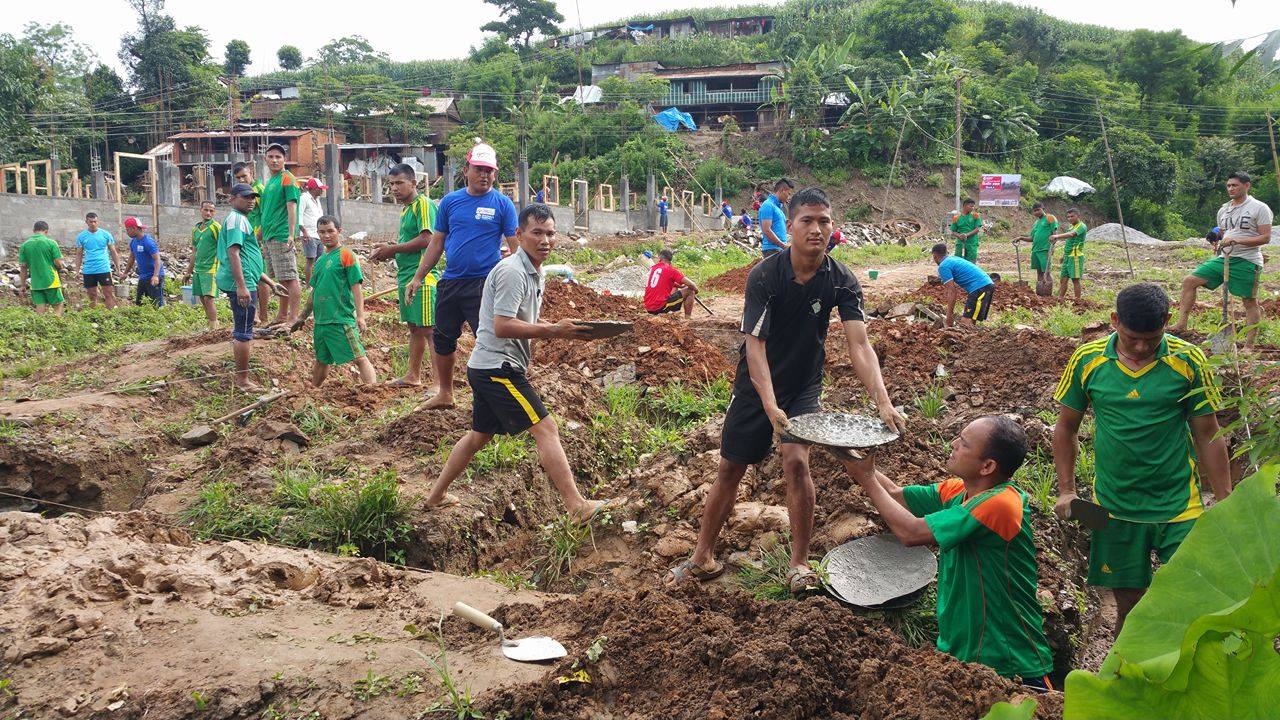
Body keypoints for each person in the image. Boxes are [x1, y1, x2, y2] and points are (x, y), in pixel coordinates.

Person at [668, 187, 907, 593]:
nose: (817, 229)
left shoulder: (842, 279)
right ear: (790, 226)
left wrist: (883, 402)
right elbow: (755, 345)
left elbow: (859, 344)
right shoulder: (765, 275)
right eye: (807, 221)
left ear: (833, 227)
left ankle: (799, 564)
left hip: (803, 385)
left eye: (824, 221)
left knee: (796, 462)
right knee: (731, 468)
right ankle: (702, 556)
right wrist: (768, 404)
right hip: (755, 385)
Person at [1053, 282, 1231, 637]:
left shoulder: (1188, 361)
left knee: (1191, 597)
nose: (1141, 347)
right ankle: (1126, 673)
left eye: (1152, 338)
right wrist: (1066, 490)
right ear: (1115, 320)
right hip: (1114, 507)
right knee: (1129, 605)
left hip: (1179, 504)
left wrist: (1226, 499)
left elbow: (1207, 434)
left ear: (1167, 320)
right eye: (1132, 337)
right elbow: (1066, 427)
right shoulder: (1088, 361)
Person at [423, 203, 611, 521]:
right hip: (498, 368)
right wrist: (553, 330)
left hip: (489, 366)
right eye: (536, 233)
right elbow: (503, 325)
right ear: (519, 234)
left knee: (478, 436)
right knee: (546, 428)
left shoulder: (534, 271)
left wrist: (560, 329)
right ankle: (576, 506)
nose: (545, 240)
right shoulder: (512, 272)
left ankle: (435, 496)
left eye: (550, 233)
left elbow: (520, 322)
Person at [845, 417, 1055, 690]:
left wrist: (867, 479)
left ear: (987, 466)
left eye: (964, 443)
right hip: (961, 653)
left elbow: (911, 532)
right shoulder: (962, 490)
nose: (953, 444)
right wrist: (851, 456)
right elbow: (897, 495)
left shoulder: (1002, 504)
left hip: (1008, 659)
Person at [405, 143, 518, 410]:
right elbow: (436, 243)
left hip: (484, 284)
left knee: (488, 339)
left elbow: (516, 248)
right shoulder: (450, 202)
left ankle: (493, 395)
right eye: (479, 169)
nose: (484, 175)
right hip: (451, 282)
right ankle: (445, 393)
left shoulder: (502, 205)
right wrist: (419, 276)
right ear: (466, 170)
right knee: (443, 338)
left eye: (489, 171)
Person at [1171, 171, 1272, 348]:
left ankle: (1249, 346)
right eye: (1228, 186)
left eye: (1235, 185)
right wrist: (1217, 235)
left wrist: (1237, 240)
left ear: (1246, 185)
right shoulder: (1224, 209)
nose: (1231, 188)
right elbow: (1225, 231)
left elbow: (1265, 238)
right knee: (1189, 281)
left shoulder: (1259, 208)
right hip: (1224, 258)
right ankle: (1181, 324)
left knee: (1249, 301)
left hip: (1247, 260)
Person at [369, 164, 439, 391]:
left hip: (423, 276)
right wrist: (390, 248)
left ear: (413, 183)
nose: (394, 188)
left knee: (430, 330)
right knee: (415, 328)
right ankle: (413, 375)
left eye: (399, 183)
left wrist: (393, 249)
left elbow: (428, 240)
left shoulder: (423, 205)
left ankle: (439, 384)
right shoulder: (406, 209)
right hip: (406, 275)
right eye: (391, 184)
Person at [291, 215, 376, 386]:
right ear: (318, 233)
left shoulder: (346, 255)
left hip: (340, 319)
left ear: (339, 231)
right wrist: (302, 317)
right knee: (321, 360)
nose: (326, 235)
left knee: (359, 357)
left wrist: (360, 316)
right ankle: (314, 391)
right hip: (321, 321)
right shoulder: (320, 260)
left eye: (330, 231)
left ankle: (374, 391)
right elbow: (314, 293)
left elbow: (356, 288)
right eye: (322, 232)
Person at [216, 183, 267, 392]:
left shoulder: (241, 220)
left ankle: (242, 378)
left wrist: (269, 282)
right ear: (232, 199)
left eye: (253, 197)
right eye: (246, 197)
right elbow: (234, 253)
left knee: (243, 327)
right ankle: (243, 381)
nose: (251, 201)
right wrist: (242, 286)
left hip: (247, 281)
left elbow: (246, 255)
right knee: (244, 331)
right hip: (243, 284)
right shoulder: (236, 220)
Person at [258, 143, 302, 327]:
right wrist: (260, 233)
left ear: (285, 159)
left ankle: (293, 318)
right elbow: (268, 211)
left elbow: (291, 207)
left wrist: (291, 234)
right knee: (281, 278)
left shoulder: (287, 179)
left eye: (278, 156)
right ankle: (282, 315)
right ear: (265, 159)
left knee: (290, 278)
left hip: (282, 234)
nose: (275, 160)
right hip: (270, 236)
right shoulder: (270, 182)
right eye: (271, 156)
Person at [233, 161, 268, 324]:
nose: (241, 180)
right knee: (250, 275)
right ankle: (254, 315)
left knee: (259, 276)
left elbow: (266, 215)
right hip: (247, 239)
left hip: (256, 239)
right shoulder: (241, 194)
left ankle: (263, 316)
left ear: (251, 173)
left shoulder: (258, 190)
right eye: (238, 177)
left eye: (244, 176)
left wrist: (258, 237)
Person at [931, 243, 995, 327]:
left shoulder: (943, 266)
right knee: (971, 319)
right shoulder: (953, 259)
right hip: (985, 284)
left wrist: (949, 315)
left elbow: (952, 291)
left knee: (965, 322)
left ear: (935, 255)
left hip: (980, 287)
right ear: (947, 252)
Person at [185, 201, 221, 329]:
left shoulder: (216, 227)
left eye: (211, 211)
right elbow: (194, 251)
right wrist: (189, 271)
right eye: (206, 210)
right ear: (200, 210)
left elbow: (222, 247)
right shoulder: (196, 229)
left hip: (211, 268)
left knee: (208, 298)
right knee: (202, 298)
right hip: (198, 269)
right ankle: (211, 325)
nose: (208, 213)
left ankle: (215, 327)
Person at [18, 221, 66, 315]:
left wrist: (23, 285)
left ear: (33, 230)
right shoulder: (51, 243)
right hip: (51, 281)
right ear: (46, 231)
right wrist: (60, 267)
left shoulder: (24, 245)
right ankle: (57, 325)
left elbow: (23, 268)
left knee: (40, 307)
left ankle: (40, 327)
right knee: (58, 305)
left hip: (35, 283)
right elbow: (58, 262)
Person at [76, 212, 121, 309]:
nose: (93, 224)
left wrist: (118, 269)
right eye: (91, 222)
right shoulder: (81, 236)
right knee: (92, 295)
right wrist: (77, 271)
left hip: (103, 268)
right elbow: (79, 254)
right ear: (86, 222)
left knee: (108, 293)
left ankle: (111, 315)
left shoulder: (106, 234)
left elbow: (113, 252)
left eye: (95, 221)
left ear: (98, 222)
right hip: (89, 269)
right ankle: (94, 315)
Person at [643, 248, 700, 319]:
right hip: (659, 308)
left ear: (659, 259)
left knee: (674, 287)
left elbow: (662, 282)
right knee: (690, 291)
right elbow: (692, 285)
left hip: (648, 307)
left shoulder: (653, 269)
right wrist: (696, 291)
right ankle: (687, 319)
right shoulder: (671, 270)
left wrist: (680, 286)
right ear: (670, 261)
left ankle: (672, 313)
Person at [121, 216, 164, 307]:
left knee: (155, 304)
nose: (127, 232)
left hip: (154, 276)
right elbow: (131, 258)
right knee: (140, 303)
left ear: (134, 228)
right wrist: (125, 273)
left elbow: (157, 259)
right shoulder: (134, 242)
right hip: (143, 276)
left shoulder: (148, 242)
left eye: (128, 230)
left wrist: (155, 276)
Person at [1014, 202, 1058, 287]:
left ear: (1043, 209)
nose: (1036, 212)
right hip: (1035, 250)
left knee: (1047, 272)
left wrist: (1052, 247)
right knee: (1039, 272)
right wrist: (1020, 238)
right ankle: (1040, 290)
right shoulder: (1036, 223)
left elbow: (1055, 235)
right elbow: (1032, 238)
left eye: (1038, 210)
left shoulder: (1050, 218)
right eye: (1034, 211)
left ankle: (1049, 291)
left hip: (1045, 249)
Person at [1049, 208, 1087, 301]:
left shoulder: (1081, 226)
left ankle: (1078, 301)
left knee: (1075, 280)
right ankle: (1060, 298)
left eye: (1072, 216)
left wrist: (1057, 236)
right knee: (1063, 279)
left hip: (1075, 256)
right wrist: (1064, 255)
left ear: (1078, 216)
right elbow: (1068, 242)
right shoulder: (1071, 227)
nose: (1070, 218)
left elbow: (1071, 235)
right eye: (1068, 217)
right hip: (1067, 256)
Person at [298, 176, 327, 281]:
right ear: (314, 189)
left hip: (318, 234)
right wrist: (304, 232)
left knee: (320, 260)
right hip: (309, 234)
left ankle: (318, 282)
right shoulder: (304, 199)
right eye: (320, 188)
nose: (322, 190)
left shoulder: (317, 200)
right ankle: (308, 285)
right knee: (311, 260)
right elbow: (299, 216)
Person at [758, 178, 795, 257]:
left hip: (779, 249)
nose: (789, 197)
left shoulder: (778, 208)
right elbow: (766, 230)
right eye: (789, 193)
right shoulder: (768, 205)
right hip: (772, 250)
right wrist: (783, 245)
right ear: (782, 190)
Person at [950, 198, 983, 263]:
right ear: (965, 205)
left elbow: (977, 229)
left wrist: (966, 235)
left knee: (971, 261)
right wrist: (959, 235)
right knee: (958, 261)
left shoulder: (975, 216)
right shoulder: (956, 218)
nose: (973, 208)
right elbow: (953, 231)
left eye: (973, 206)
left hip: (972, 243)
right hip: (960, 243)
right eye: (971, 206)